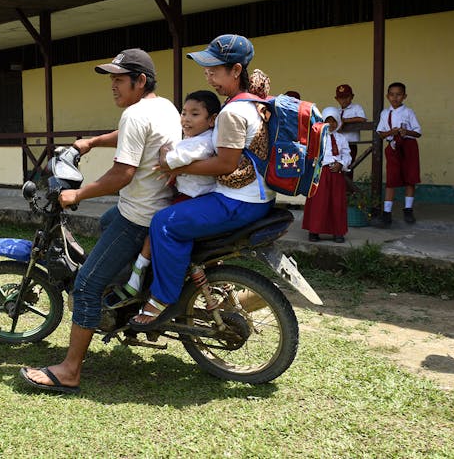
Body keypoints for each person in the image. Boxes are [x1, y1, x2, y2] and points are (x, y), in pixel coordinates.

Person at [20, 48, 181, 394]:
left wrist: (77, 195)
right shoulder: (164, 106)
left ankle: (69, 370)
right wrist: (92, 142)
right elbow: (130, 137)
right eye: (111, 78)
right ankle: (128, 296)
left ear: (140, 81)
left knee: (86, 286)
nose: (113, 85)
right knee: (107, 222)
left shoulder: (135, 115)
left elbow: (122, 174)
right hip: (157, 208)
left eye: (119, 79)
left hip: (139, 215)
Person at [128, 34, 276, 330]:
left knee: (164, 223)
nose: (209, 77)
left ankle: (161, 298)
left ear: (236, 70)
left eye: (215, 70)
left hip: (238, 202)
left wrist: (177, 166)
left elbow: (225, 164)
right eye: (206, 70)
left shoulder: (233, 111)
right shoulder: (255, 103)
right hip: (257, 197)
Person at [104, 89, 221, 308]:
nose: (186, 119)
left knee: (156, 226)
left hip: (190, 199)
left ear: (212, 119)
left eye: (194, 114)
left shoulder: (201, 143)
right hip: (192, 196)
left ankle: (137, 277)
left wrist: (165, 151)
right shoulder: (197, 138)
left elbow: (167, 161)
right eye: (184, 113)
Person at [372, 82, 421, 228]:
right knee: (392, 179)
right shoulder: (385, 113)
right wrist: (391, 133)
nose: (395, 98)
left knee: (410, 177)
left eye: (398, 94)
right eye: (392, 95)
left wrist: (407, 132)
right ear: (387, 96)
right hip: (393, 146)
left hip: (409, 146)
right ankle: (387, 213)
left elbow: (418, 132)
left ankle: (408, 209)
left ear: (404, 96)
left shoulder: (409, 112)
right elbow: (381, 133)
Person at [302, 107, 351, 243]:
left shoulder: (341, 138)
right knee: (319, 202)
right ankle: (314, 230)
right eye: (327, 121)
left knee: (336, 202)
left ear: (338, 122)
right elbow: (311, 154)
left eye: (334, 121)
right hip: (320, 173)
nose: (331, 124)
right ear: (323, 121)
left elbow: (347, 154)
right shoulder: (317, 137)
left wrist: (341, 163)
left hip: (336, 173)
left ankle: (338, 232)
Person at [334, 83, 367, 169]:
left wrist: (345, 121)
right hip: (338, 144)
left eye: (346, 97)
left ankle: (348, 182)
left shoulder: (356, 108)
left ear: (352, 97)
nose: (344, 100)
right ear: (336, 99)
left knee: (349, 165)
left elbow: (362, 119)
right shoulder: (337, 111)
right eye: (341, 98)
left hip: (351, 143)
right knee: (338, 164)